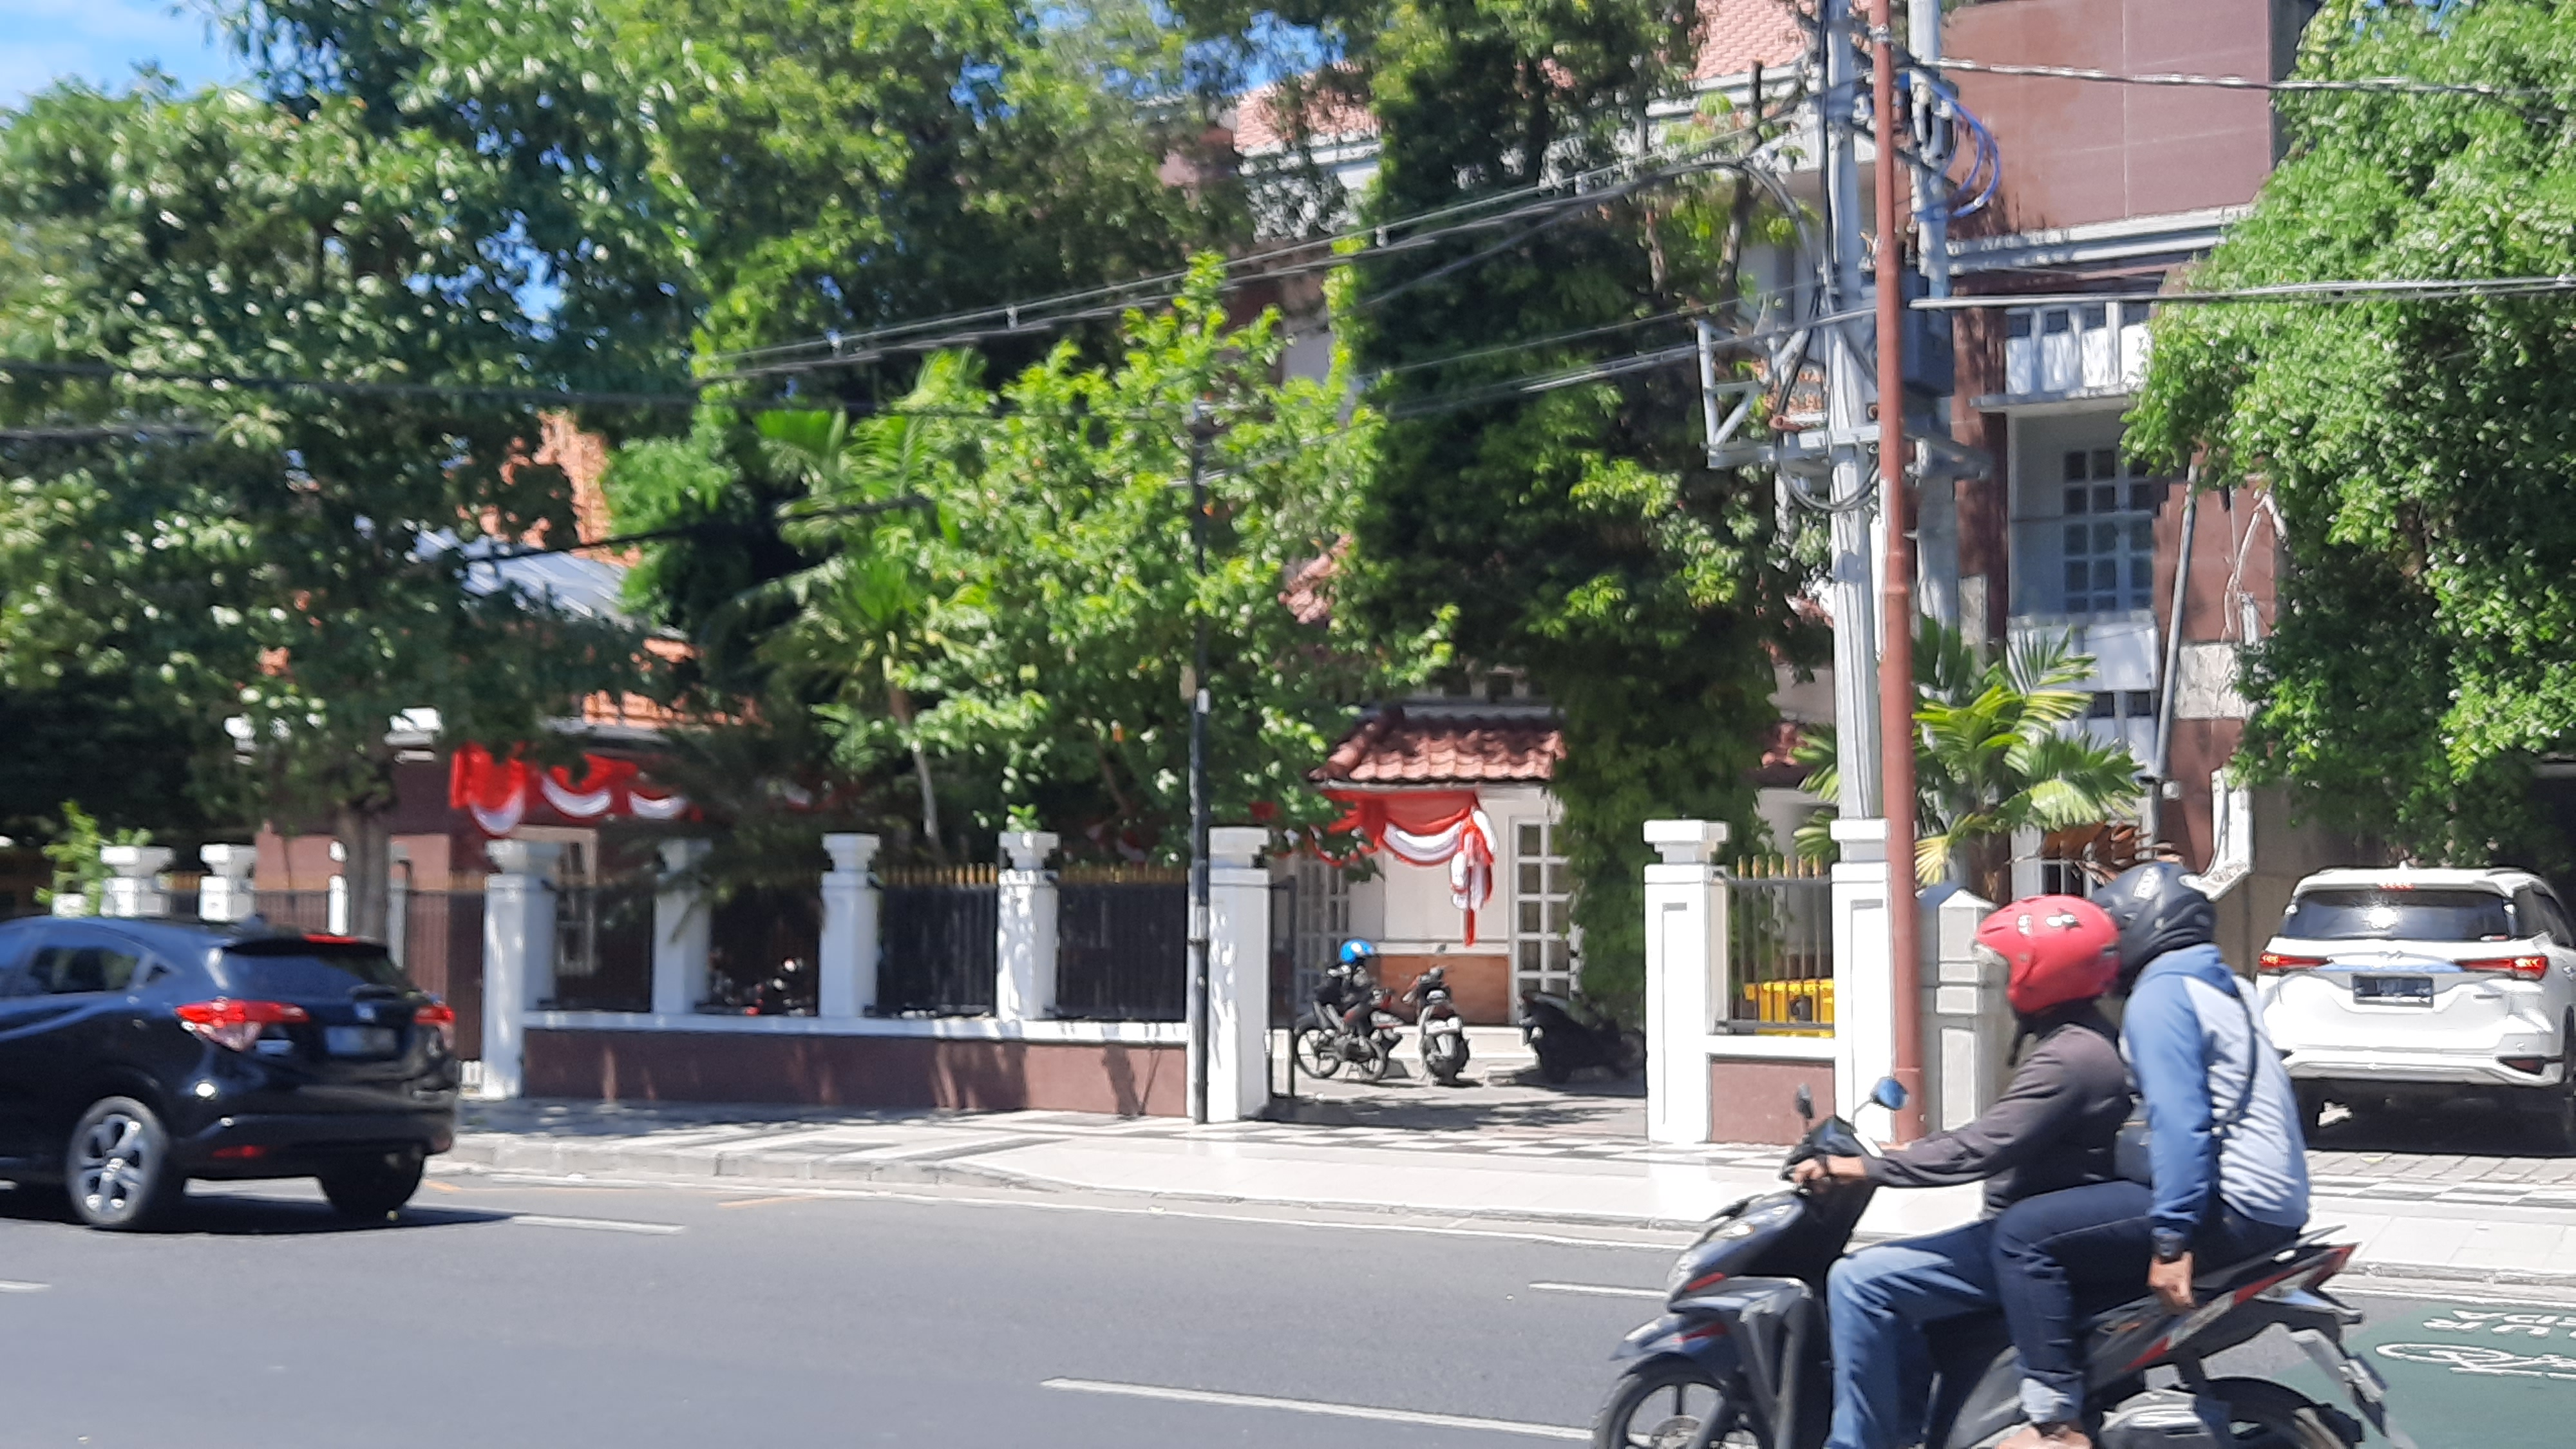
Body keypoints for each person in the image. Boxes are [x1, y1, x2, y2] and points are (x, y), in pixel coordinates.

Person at [1987, 862, 2311, 1449]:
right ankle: (2102, 1393)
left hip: (2230, 1203)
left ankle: (2056, 1425)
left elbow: (2181, 1124)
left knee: (2025, 1235)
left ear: (2142, 928)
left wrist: (2171, 1240)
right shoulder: (2226, 983)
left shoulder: (2160, 996)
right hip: (2277, 1203)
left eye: (2114, 933)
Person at [1795, 896, 2132, 1449]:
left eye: (2010, 966)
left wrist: (1864, 1167)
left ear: (2039, 973)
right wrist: (1894, 1150)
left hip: (2017, 1240)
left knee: (1859, 1280)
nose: (2002, 981)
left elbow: (1979, 1149)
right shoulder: (2084, 1041)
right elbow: (1992, 1135)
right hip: (2030, 1232)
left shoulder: (2069, 1058)